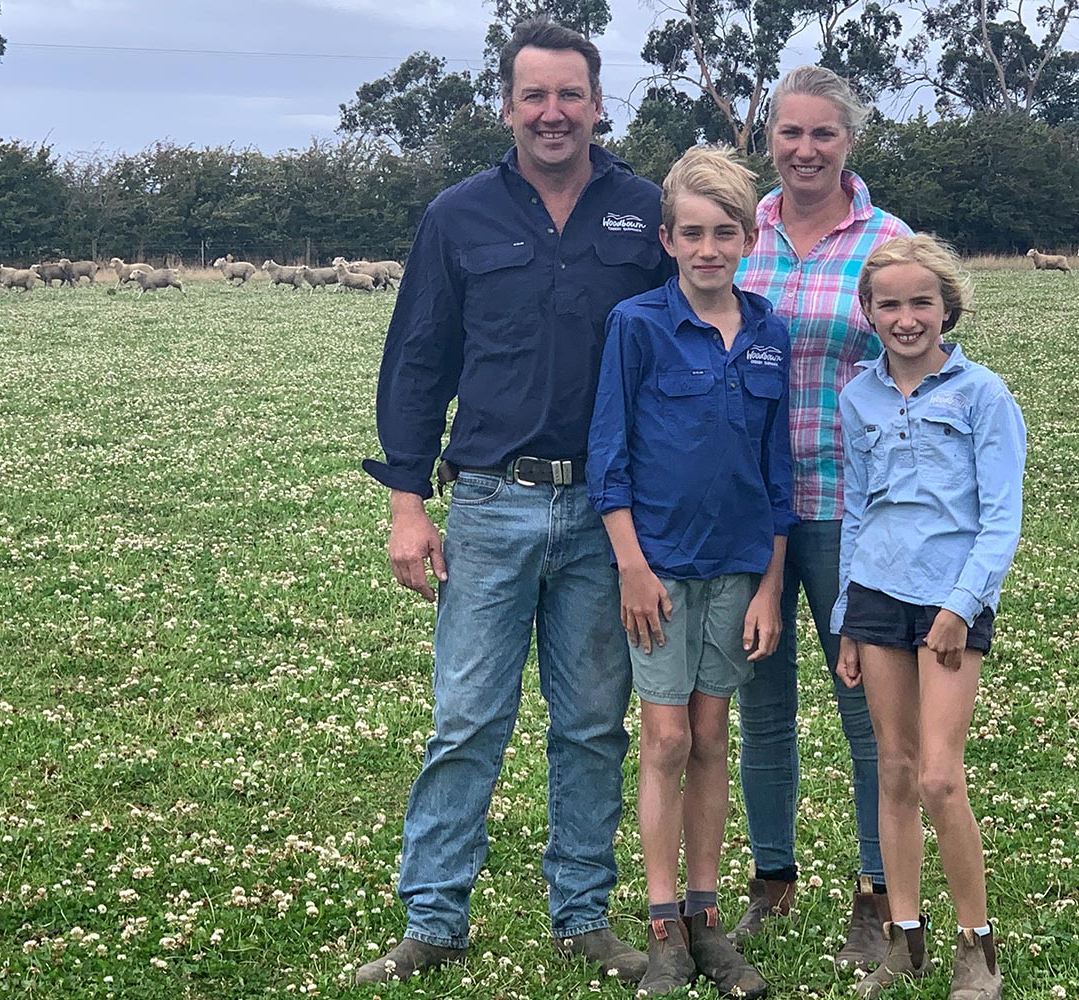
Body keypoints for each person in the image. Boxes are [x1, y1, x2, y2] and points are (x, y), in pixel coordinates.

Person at [355, 16, 671, 986]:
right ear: (506, 106)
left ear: (598, 102)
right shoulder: (457, 215)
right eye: (534, 95)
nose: (552, 112)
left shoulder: (644, 211)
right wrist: (410, 506)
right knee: (466, 720)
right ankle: (433, 918)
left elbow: (683, 341)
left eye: (569, 94)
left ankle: (582, 916)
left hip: (605, 515)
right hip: (489, 504)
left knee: (590, 725)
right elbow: (416, 363)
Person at [588, 146, 791, 999]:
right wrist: (632, 564)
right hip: (659, 573)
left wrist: (773, 586)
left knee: (714, 739)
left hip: (739, 572)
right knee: (666, 741)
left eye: (726, 233)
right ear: (667, 238)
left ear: (749, 237)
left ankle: (709, 924)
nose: (709, 248)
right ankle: (663, 923)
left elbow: (779, 474)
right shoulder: (636, 325)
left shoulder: (769, 332)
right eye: (692, 233)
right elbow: (610, 456)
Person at [729, 64, 912, 969]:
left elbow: (917, 379)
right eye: (789, 133)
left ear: (850, 142)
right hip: (749, 512)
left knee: (869, 711)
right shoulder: (739, 230)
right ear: (770, 137)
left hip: (852, 508)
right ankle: (772, 880)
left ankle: (879, 898)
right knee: (760, 702)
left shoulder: (886, 242)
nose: (804, 150)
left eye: (823, 134)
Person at [830, 234, 1025, 1000]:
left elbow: (1000, 518)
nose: (907, 318)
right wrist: (847, 612)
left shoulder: (983, 395)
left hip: (950, 600)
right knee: (895, 771)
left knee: (943, 778)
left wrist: (961, 604)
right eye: (890, 305)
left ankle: (976, 947)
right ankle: (901, 938)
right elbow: (854, 509)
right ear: (869, 314)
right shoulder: (858, 397)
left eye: (921, 303)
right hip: (877, 595)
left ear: (948, 308)